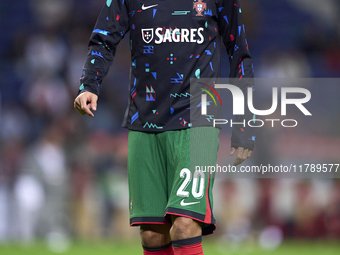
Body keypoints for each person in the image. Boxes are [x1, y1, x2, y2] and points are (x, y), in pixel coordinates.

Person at [74, 0, 255, 254]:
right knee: (152, 234)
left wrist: (244, 122)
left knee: (184, 225)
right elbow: (104, 37)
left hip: (198, 120)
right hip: (144, 121)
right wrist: (89, 84)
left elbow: (239, 53)